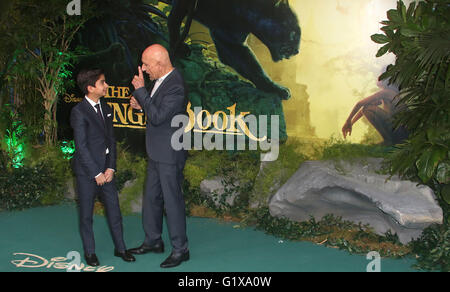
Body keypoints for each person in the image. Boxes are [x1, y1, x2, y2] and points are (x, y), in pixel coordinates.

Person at [128, 44, 189, 268]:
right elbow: (154, 110)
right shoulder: (160, 80)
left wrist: (141, 92)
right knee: (152, 198)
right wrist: (140, 104)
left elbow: (158, 116)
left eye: (146, 64)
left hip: (170, 153)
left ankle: (181, 249)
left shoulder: (176, 86)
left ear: (160, 64)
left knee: (172, 202)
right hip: (156, 150)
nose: (143, 68)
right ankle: (153, 241)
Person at [70, 68, 136, 266]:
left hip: (107, 173)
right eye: (102, 83)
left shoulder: (106, 108)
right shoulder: (78, 112)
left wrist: (111, 168)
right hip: (87, 173)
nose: (106, 85)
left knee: (115, 212)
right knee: (86, 215)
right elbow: (81, 147)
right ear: (90, 88)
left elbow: (111, 140)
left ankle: (121, 249)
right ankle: (90, 252)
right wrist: (96, 173)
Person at [342, 80, 408, 146]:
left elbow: (360, 103)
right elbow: (363, 107)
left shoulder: (386, 92)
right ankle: (389, 140)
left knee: (368, 109)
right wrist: (351, 123)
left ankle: (388, 140)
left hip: (401, 131)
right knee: (367, 108)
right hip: (401, 131)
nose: (378, 80)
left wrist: (348, 120)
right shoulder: (388, 93)